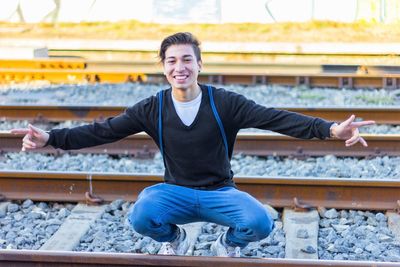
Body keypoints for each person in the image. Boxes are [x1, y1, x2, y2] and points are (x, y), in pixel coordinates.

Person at [11, 32, 375, 257]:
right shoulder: (152, 107)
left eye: (187, 59)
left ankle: (226, 246)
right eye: (172, 61)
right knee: (141, 215)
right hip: (176, 194)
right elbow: (103, 131)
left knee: (261, 222)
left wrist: (330, 130)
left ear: (199, 65)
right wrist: (50, 138)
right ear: (164, 68)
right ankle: (176, 238)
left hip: (220, 193)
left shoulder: (225, 103)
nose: (179, 67)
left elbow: (275, 118)